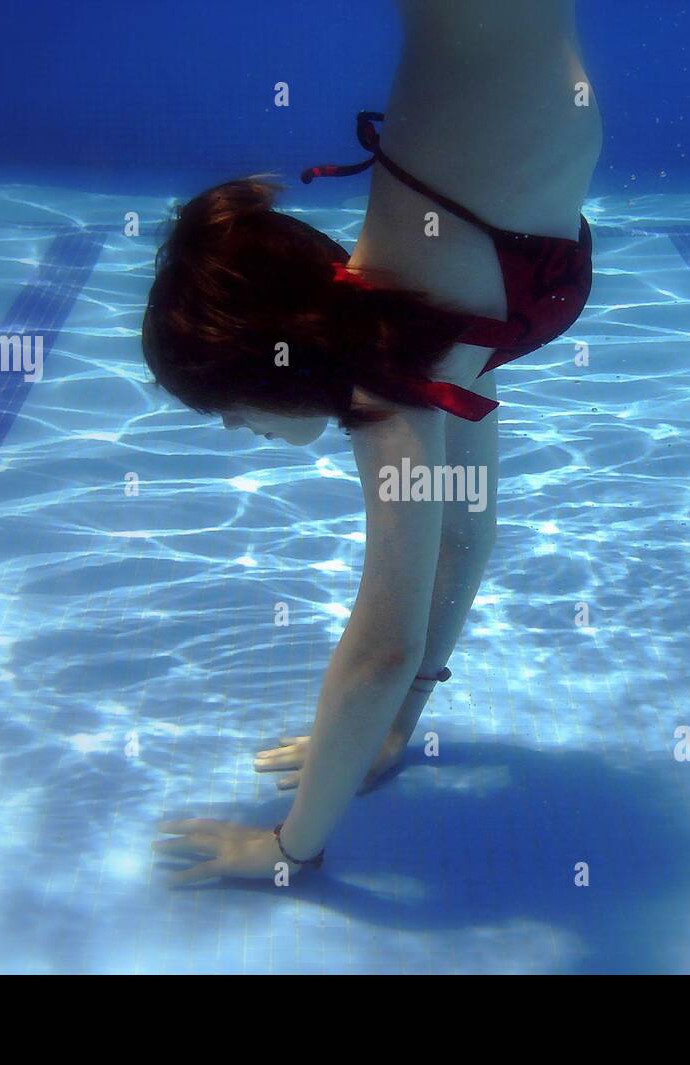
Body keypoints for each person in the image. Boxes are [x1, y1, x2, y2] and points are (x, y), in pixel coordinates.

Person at [145, 0, 601, 881]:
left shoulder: (386, 393)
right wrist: (400, 717)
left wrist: (286, 847)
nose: (241, 431)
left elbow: (380, 644)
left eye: (230, 409)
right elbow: (468, 530)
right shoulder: (419, 345)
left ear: (265, 360)